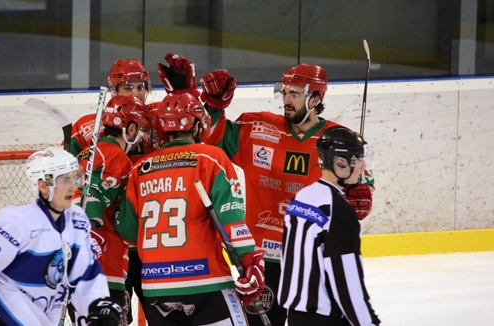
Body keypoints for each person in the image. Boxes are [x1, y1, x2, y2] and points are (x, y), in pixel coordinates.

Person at [198, 64, 375, 325]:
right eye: (285, 92)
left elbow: (361, 195)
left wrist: (359, 198)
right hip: (262, 261)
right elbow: (210, 136)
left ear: (315, 99)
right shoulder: (257, 128)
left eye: (296, 93)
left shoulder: (338, 140)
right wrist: (213, 105)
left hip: (313, 260)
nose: (287, 99)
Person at [114, 92, 265, 326]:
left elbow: (128, 231)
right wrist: (250, 259)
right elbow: (231, 216)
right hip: (206, 281)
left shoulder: (140, 169)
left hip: (156, 288)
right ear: (197, 125)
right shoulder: (212, 158)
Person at [0, 147, 121, 326]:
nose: (72, 186)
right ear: (43, 185)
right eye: (64, 179)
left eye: (74, 177)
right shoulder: (17, 222)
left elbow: (85, 272)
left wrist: (97, 304)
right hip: (1, 319)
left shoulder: (76, 220)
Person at [278, 126, 380, 325]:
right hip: (327, 319)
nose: (363, 167)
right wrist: (368, 322)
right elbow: (346, 279)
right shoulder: (338, 209)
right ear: (340, 162)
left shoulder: (302, 197)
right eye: (358, 159)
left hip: (296, 317)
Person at [72, 95, 150, 325]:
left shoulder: (85, 154)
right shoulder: (117, 156)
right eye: (141, 129)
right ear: (131, 128)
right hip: (104, 264)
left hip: (78, 267)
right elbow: (90, 198)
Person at [69, 58, 152, 158]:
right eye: (128, 88)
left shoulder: (156, 118)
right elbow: (63, 165)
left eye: (140, 87)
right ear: (114, 90)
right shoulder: (86, 126)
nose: (136, 94)